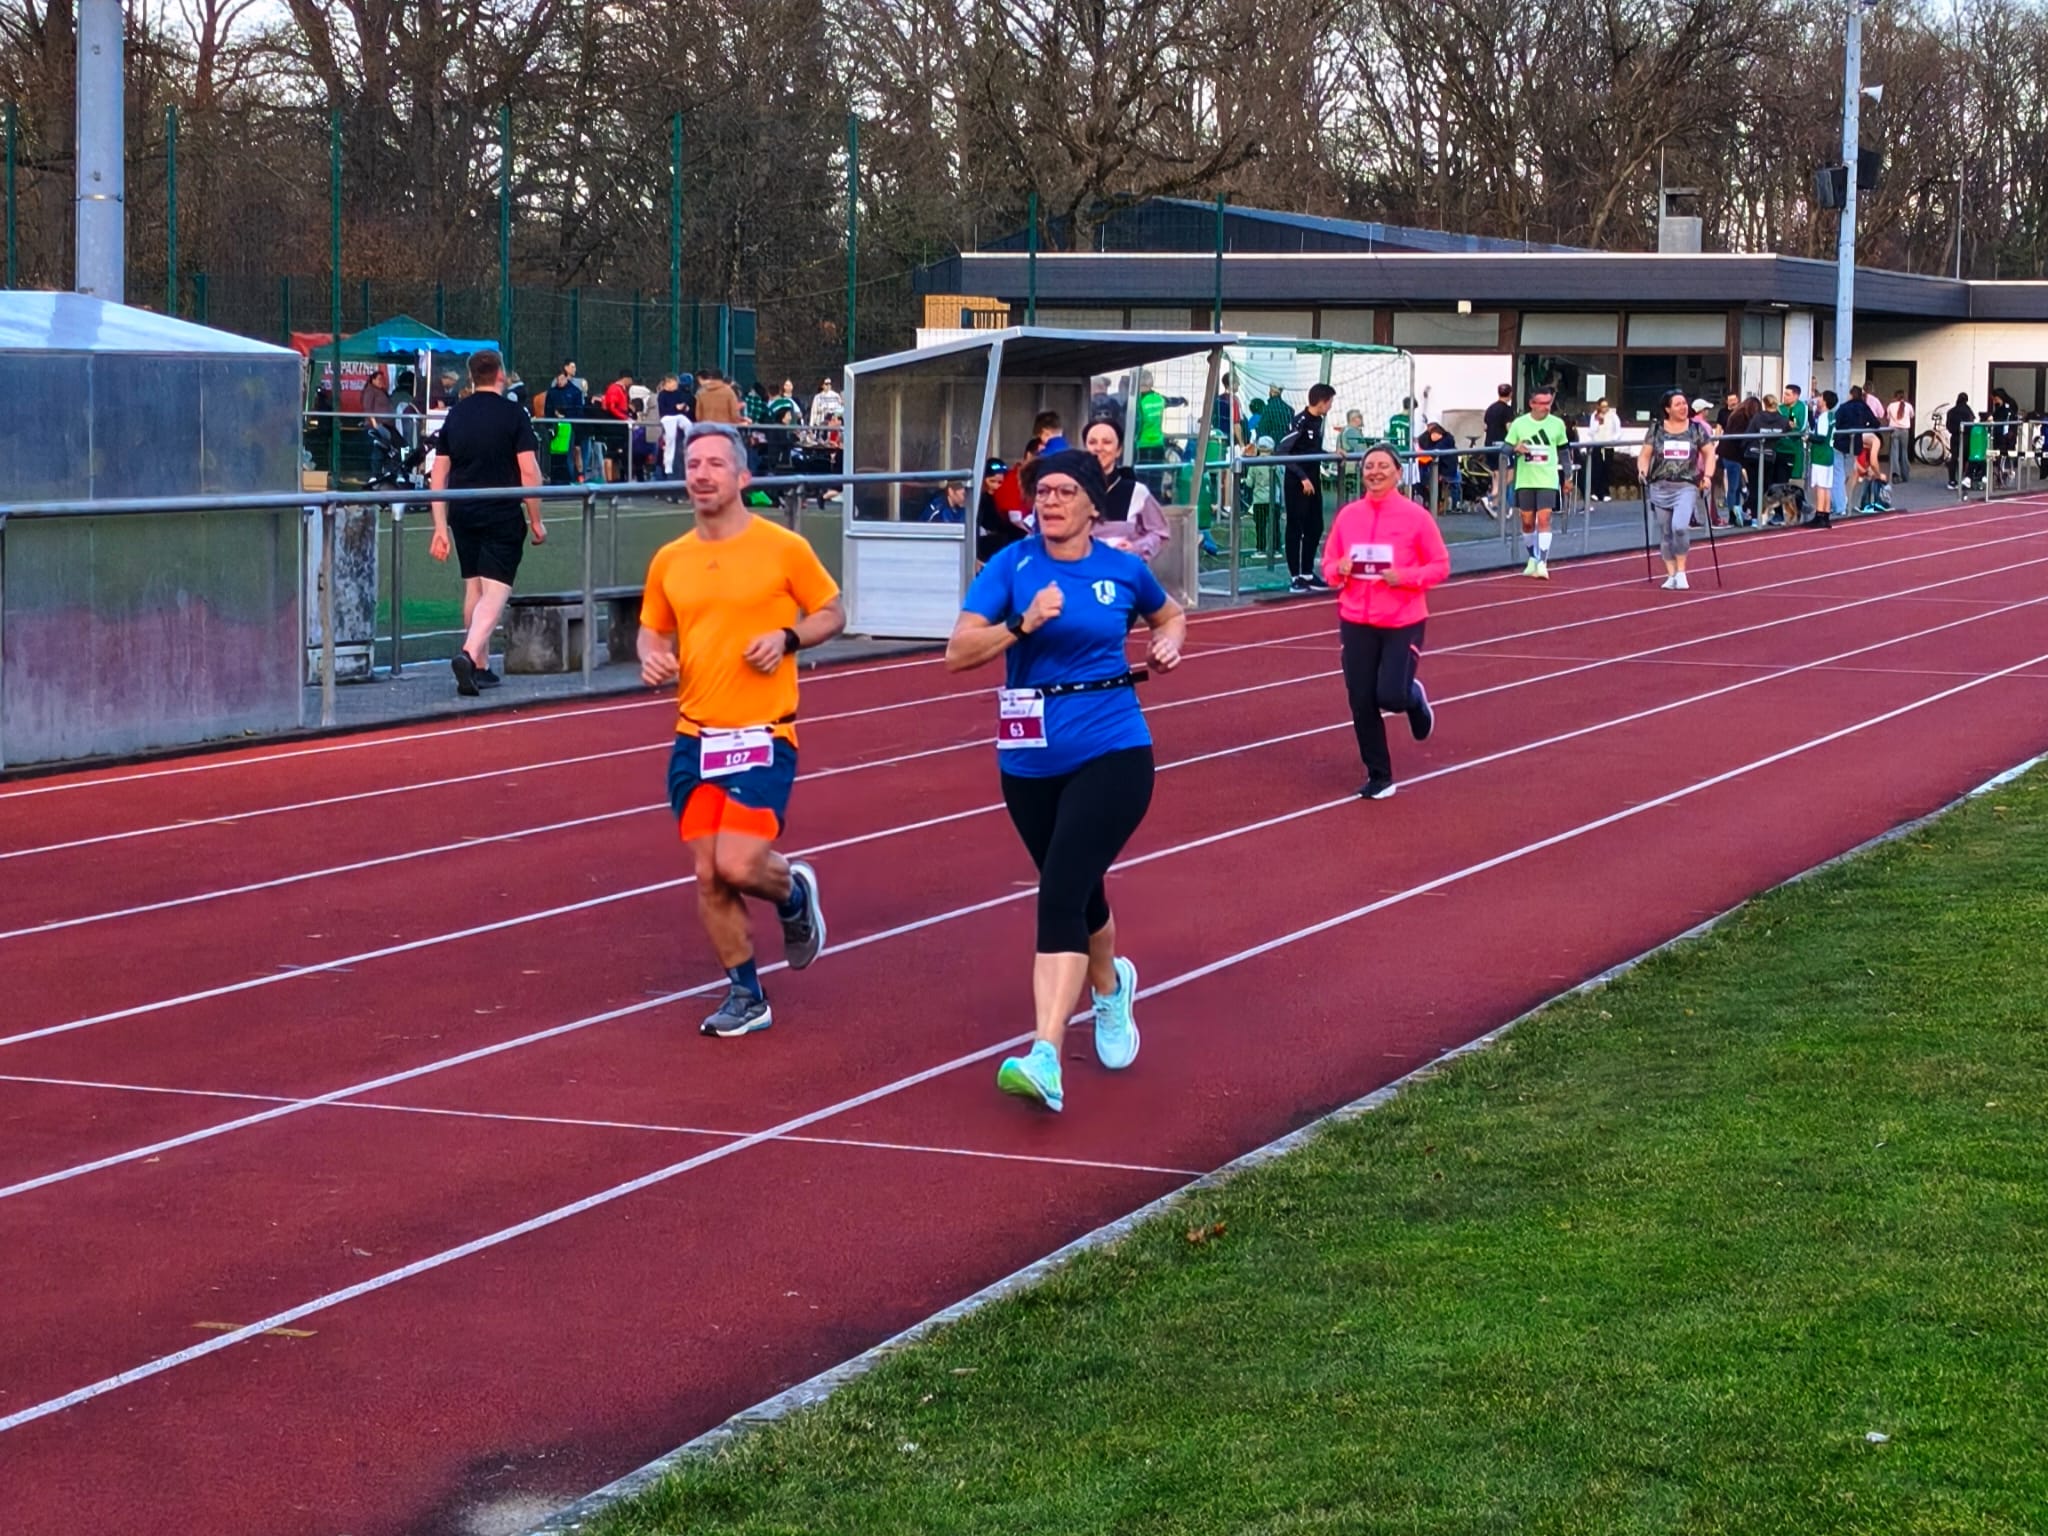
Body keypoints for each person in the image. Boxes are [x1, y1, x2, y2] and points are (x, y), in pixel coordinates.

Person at [945, 448, 1187, 1114]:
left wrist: (1169, 643)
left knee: (1058, 890)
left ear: (1091, 504)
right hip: (1027, 757)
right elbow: (956, 653)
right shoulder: (1011, 567)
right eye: (1041, 492)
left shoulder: (1122, 569)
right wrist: (1021, 625)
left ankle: (1046, 1053)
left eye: (1062, 492)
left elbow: (1168, 614)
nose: (1049, 502)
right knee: (1079, 888)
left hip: (1113, 747)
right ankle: (1111, 987)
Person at [637, 421, 845, 1038]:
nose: (701, 474)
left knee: (738, 863)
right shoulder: (670, 559)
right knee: (708, 872)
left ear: (742, 477)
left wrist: (787, 638)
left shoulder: (783, 548)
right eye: (693, 463)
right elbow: (654, 626)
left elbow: (833, 611)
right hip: (694, 738)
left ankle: (793, 895)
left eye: (715, 464)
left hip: (763, 737)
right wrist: (651, 653)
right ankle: (746, 994)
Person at [1319, 443, 1450, 800]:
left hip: (1401, 619)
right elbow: (1329, 563)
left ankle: (1413, 697)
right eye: (1368, 467)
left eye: (1382, 466)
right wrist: (1338, 570)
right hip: (1355, 618)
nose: (1374, 472)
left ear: (1397, 472)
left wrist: (1404, 576)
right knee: (1361, 700)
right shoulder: (1349, 516)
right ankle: (1379, 775)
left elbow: (1440, 565)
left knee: (1390, 695)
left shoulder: (1416, 517)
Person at [429, 349, 544, 697]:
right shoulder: (514, 414)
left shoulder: (457, 414)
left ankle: (480, 666)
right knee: (496, 591)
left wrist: (439, 525)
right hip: (501, 511)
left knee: (474, 588)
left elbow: (439, 472)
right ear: (501, 374)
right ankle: (468, 654)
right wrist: (536, 519)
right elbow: (528, 470)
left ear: (470, 376)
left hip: (463, 511)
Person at [1637, 389, 1717, 591]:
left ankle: (1682, 572)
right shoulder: (1656, 429)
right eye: (1677, 404)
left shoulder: (1696, 429)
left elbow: (1709, 453)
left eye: (1684, 403)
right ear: (1667, 409)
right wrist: (1642, 471)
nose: (1683, 407)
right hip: (1660, 485)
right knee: (1665, 532)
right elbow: (1645, 454)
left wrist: (1707, 477)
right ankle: (1670, 574)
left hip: (1686, 485)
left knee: (1679, 527)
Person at [1505, 386, 1571, 577]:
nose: (1546, 407)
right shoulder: (1519, 424)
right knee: (1527, 522)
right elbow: (1504, 449)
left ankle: (1543, 561)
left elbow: (1564, 452)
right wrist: (1516, 448)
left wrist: (1568, 477)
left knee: (1544, 519)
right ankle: (1532, 557)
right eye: (1541, 403)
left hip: (1547, 478)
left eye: (1548, 403)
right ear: (1531, 404)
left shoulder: (1557, 424)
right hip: (1525, 479)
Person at [1083, 416, 1170, 559]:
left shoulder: (1136, 491)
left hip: (1122, 573)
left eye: (1107, 442)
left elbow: (1160, 533)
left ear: (1118, 450)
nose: (1099, 448)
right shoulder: (1072, 489)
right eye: (1092, 442)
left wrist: (1136, 547)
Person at [1279, 382, 1337, 592]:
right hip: (1297, 483)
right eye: (1329, 402)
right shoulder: (1300, 422)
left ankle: (1307, 572)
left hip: (1314, 481)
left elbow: (1312, 449)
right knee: (1295, 527)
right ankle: (1295, 577)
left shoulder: (1318, 421)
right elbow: (1283, 452)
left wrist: (1331, 455)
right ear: (1322, 402)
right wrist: (1302, 477)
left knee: (1315, 526)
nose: (1330, 406)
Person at [975, 458, 1026, 566]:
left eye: (1000, 482)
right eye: (992, 481)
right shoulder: (979, 501)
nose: (996, 486)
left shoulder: (1005, 500)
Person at [1482, 382, 1515, 516]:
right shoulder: (1507, 410)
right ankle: (1490, 497)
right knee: (1509, 475)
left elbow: (1485, 427)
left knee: (1496, 475)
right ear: (1510, 394)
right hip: (1503, 445)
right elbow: (1509, 428)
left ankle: (1494, 506)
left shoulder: (1490, 408)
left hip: (1489, 444)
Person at [1807, 389, 1839, 528]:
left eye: (1820, 397)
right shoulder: (1832, 416)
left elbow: (1820, 437)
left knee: (1820, 486)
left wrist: (1808, 437)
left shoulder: (1824, 417)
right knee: (1826, 486)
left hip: (1821, 453)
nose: (1818, 399)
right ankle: (1825, 514)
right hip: (1828, 452)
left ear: (1824, 401)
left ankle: (1819, 514)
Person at [1585, 397, 1622, 502]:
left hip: (1608, 446)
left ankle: (1605, 492)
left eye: (1606, 406)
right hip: (1597, 445)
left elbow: (1618, 430)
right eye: (1602, 406)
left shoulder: (1613, 416)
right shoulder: (1594, 416)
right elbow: (1591, 432)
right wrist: (1598, 422)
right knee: (1597, 468)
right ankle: (1596, 492)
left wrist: (1613, 439)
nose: (1604, 409)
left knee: (1607, 468)